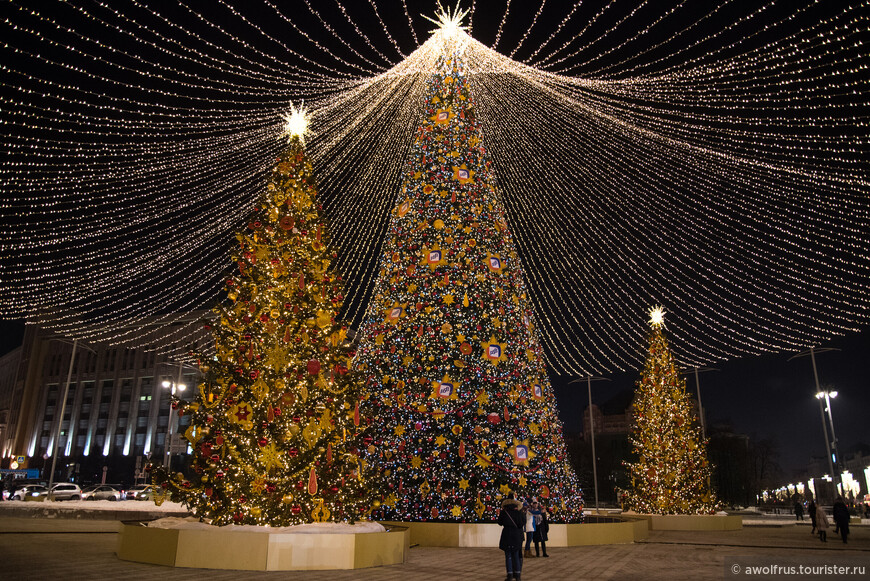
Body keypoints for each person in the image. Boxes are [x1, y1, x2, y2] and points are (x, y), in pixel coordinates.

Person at [498, 493, 525, 581]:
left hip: (507, 534)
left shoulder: (504, 511)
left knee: (508, 555)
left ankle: (509, 575)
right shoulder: (518, 511)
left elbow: (499, 522)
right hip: (516, 535)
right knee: (516, 555)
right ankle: (517, 575)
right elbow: (521, 524)